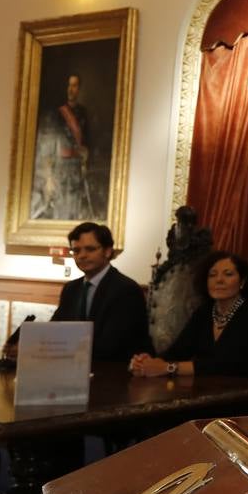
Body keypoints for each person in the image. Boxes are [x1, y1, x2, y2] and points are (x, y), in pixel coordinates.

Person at [129, 251, 248, 378]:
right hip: (205, 392)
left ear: (242, 281)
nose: (219, 280)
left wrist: (169, 368)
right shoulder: (204, 312)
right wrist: (147, 363)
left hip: (245, 393)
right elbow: (177, 352)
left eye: (228, 274)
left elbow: (227, 366)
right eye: (212, 275)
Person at [48, 221, 152, 362]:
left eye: (90, 249)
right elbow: (55, 330)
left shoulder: (126, 290)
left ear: (107, 251)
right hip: (72, 370)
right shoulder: (70, 289)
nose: (82, 255)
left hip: (113, 375)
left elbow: (113, 344)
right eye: (76, 250)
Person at [32, 73, 96, 219]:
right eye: (69, 85)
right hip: (60, 167)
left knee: (75, 207)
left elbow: (87, 142)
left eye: (74, 85)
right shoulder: (56, 113)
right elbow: (48, 145)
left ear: (79, 89)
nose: (71, 89)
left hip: (76, 169)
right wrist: (49, 175)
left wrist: (85, 155)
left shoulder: (83, 113)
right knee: (60, 208)